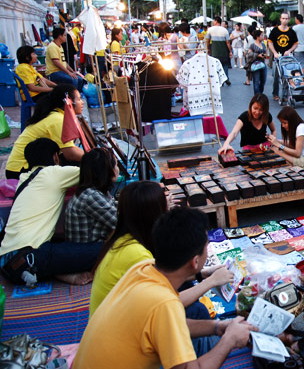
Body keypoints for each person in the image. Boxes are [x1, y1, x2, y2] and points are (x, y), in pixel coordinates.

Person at [73, 207, 256, 369]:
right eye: (207, 247)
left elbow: (172, 324)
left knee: (198, 315)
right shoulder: (164, 304)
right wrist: (228, 340)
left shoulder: (143, 267)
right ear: (195, 261)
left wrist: (217, 326)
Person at [89, 181, 236, 318]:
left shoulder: (126, 236)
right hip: (121, 324)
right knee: (197, 311)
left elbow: (166, 277)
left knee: (185, 282)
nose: (168, 208)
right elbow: (165, 303)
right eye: (164, 204)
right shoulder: (136, 254)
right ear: (152, 213)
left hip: (120, 316)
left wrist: (203, 274)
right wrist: (211, 282)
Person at [0, 139, 99, 286]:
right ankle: (50, 270)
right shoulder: (54, 173)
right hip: (30, 258)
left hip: (7, 262)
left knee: (61, 245)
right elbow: (97, 172)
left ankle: (55, 271)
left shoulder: (24, 178)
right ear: (55, 157)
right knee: (107, 248)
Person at [5, 84, 84, 179]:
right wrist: (94, 158)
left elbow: (70, 148)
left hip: (16, 168)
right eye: (79, 99)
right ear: (69, 102)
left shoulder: (57, 115)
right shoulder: (58, 120)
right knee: (81, 167)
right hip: (19, 171)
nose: (82, 102)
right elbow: (70, 154)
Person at [64, 148, 118, 245]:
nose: (118, 169)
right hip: (91, 252)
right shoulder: (91, 196)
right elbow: (124, 224)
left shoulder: (92, 192)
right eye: (116, 165)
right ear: (108, 170)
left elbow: (116, 205)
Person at [267, 106, 304, 172]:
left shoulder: (301, 128)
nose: (283, 126)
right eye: (282, 123)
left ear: (292, 121)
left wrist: (279, 147)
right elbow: (294, 144)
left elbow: (297, 153)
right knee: (280, 152)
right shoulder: (298, 127)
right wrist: (277, 141)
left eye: (285, 123)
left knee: (279, 153)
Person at [269, 12, 299, 102]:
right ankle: (275, 93)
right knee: (276, 76)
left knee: (286, 76)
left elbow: (296, 43)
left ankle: (285, 94)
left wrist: (289, 51)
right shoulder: (275, 31)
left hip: (287, 58)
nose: (285, 20)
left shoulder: (291, 32)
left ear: (289, 19)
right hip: (277, 57)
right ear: (280, 19)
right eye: (283, 18)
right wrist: (274, 52)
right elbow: (270, 42)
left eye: (286, 18)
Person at [207, 16, 232, 86]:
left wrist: (208, 49)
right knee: (225, 65)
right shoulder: (225, 30)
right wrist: (230, 51)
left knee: (216, 66)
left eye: (213, 21)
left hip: (215, 51)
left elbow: (208, 41)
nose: (212, 22)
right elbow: (228, 42)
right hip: (224, 51)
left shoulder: (210, 30)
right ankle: (226, 78)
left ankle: (219, 80)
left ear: (216, 21)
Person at [247, 30, 268, 95]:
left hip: (263, 64)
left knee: (263, 81)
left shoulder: (263, 44)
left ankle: (260, 93)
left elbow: (266, 53)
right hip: (255, 65)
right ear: (257, 37)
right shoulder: (252, 45)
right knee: (256, 81)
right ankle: (257, 96)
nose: (263, 36)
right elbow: (249, 54)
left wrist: (264, 55)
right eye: (261, 35)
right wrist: (257, 55)